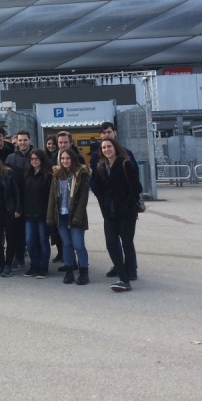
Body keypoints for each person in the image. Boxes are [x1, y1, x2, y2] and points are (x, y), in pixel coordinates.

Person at [88, 121, 140, 279]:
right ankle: (118, 266)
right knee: (112, 239)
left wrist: (130, 201)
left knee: (126, 239)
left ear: (114, 133)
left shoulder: (126, 154)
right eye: (103, 133)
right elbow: (94, 178)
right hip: (107, 204)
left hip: (125, 206)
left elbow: (135, 180)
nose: (106, 135)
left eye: (109, 132)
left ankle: (131, 268)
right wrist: (100, 195)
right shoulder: (97, 156)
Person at [47, 148, 91, 285]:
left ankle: (84, 272)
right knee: (66, 244)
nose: (65, 161)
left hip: (76, 215)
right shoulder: (57, 174)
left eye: (67, 158)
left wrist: (78, 217)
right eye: (62, 158)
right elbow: (52, 196)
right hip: (61, 215)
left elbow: (83, 198)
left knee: (78, 244)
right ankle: (69, 271)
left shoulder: (81, 174)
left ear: (73, 159)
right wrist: (50, 216)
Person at [21, 149, 53, 278]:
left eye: (36, 159)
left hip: (42, 214)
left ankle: (44, 267)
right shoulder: (27, 174)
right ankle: (34, 265)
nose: (34, 161)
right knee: (29, 241)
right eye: (32, 159)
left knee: (43, 240)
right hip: (29, 214)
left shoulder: (48, 175)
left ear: (42, 160)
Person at [5, 130, 33, 271]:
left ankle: (37, 261)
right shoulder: (10, 158)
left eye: (25, 140)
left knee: (33, 235)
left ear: (30, 140)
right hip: (16, 200)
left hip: (33, 199)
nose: (22, 143)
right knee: (17, 233)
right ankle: (19, 258)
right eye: (20, 140)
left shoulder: (36, 156)